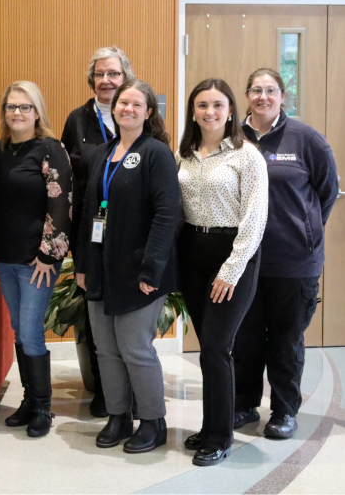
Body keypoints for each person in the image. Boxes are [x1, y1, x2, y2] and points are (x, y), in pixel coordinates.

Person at [232, 68, 337, 439]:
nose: (263, 97)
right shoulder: (232, 138)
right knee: (244, 338)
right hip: (243, 260)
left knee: (285, 340)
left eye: (270, 90)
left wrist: (303, 230)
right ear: (247, 95)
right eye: (256, 90)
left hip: (293, 262)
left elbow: (327, 192)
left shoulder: (306, 139)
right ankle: (243, 404)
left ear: (282, 95)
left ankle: (284, 411)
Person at [75, 80, 179, 454]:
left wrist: (152, 269)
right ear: (114, 108)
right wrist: (83, 264)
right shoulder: (103, 153)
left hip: (139, 272)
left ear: (149, 112)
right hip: (101, 268)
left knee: (135, 347)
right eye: (123, 103)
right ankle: (118, 416)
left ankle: (153, 421)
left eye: (137, 104)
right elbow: (90, 212)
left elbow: (167, 214)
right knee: (105, 349)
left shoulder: (156, 153)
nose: (128, 109)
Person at [177, 78, 268, 466]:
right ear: (193, 111)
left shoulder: (247, 156)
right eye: (202, 105)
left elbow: (255, 220)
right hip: (192, 255)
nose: (210, 112)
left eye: (217, 105)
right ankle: (210, 425)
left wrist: (230, 270)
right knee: (208, 349)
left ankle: (220, 437)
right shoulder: (184, 154)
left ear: (231, 110)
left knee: (217, 347)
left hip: (232, 257)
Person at [0, 81, 72, 438]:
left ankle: (42, 407)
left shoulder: (50, 148)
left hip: (38, 260)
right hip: (4, 257)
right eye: (11, 106)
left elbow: (61, 202)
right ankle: (29, 399)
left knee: (32, 331)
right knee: (20, 331)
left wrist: (49, 255)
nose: (17, 113)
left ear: (37, 112)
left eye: (25, 107)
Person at [60, 46, 136, 418]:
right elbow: (64, 177)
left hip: (131, 234)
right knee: (94, 309)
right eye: (100, 74)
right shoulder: (77, 120)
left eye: (114, 74)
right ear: (91, 79)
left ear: (126, 78)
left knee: (129, 311)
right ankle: (105, 390)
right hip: (89, 233)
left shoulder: (138, 115)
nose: (106, 81)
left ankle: (132, 389)